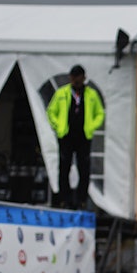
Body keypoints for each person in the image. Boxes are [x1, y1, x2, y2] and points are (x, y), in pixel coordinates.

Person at [47, 65, 105, 210]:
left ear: (83, 77)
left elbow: (100, 113)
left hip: (83, 136)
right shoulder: (62, 93)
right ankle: (64, 199)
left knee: (84, 168)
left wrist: (92, 126)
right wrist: (58, 127)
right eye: (73, 77)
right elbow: (51, 111)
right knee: (64, 167)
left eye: (78, 77)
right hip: (66, 135)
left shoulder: (91, 94)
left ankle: (81, 200)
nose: (76, 80)